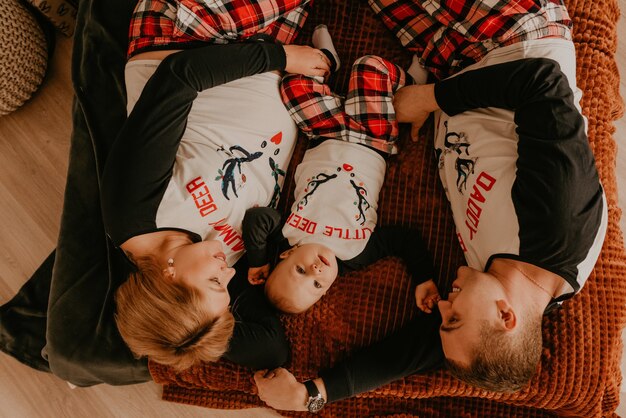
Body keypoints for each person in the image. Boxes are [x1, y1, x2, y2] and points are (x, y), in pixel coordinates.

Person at [253, 0, 608, 412]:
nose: (442, 305)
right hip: (509, 35)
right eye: (452, 317)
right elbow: (542, 82)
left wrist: (312, 395)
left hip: (455, 63)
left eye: (442, 318)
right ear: (506, 317)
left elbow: (411, 353)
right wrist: (428, 99)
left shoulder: (505, 298)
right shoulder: (559, 228)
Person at [100, 0, 333, 372]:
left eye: (214, 281)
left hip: (197, 34)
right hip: (267, 59)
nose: (227, 272)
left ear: (167, 277)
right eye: (226, 287)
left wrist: (280, 56)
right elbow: (270, 349)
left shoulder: (133, 211)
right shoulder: (202, 259)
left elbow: (179, 77)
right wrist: (190, 337)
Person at [241, 28, 435, 314]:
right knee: (369, 66)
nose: (316, 270)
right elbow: (406, 241)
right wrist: (423, 279)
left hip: (324, 133)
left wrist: (258, 260)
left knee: (293, 85)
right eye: (317, 285)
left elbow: (257, 220)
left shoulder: (289, 234)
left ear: (287, 254)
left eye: (300, 270)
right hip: (373, 139)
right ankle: (412, 83)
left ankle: (328, 62)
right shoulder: (357, 253)